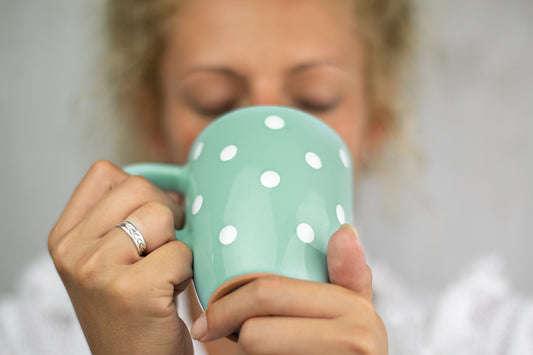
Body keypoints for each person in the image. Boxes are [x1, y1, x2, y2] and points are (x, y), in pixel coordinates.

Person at [2, 0, 532, 354]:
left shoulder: (494, 338)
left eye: (314, 99)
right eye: (215, 101)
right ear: (154, 124)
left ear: (375, 125)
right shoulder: (27, 336)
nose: (266, 135)